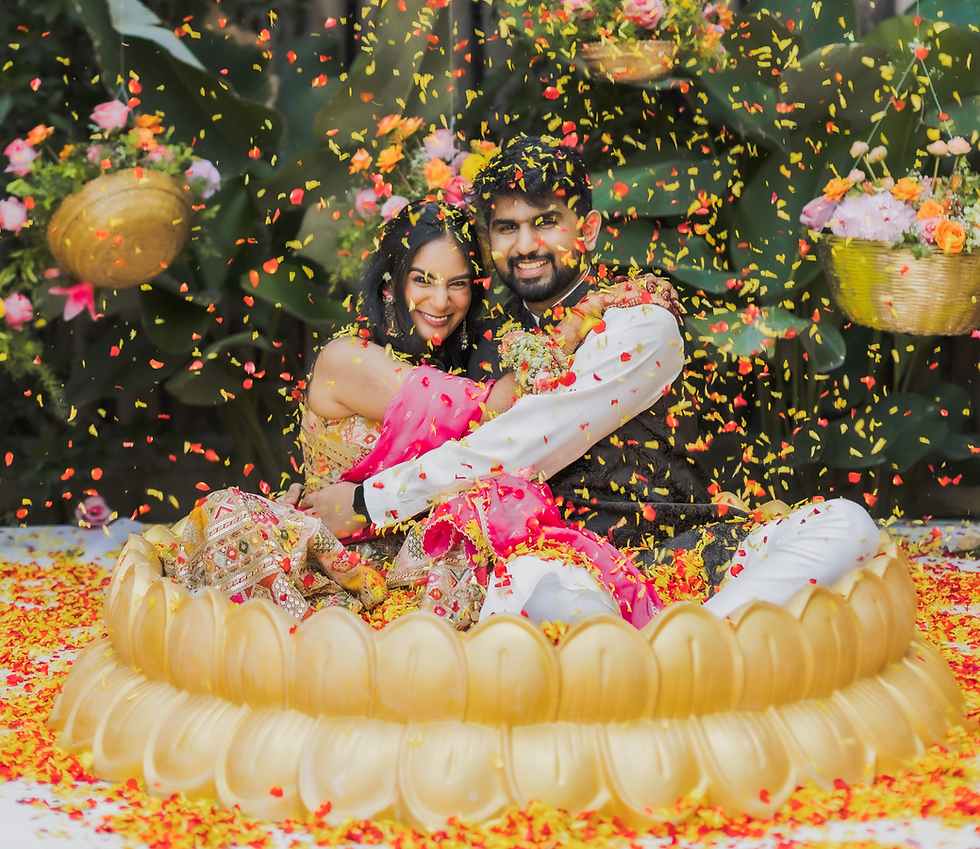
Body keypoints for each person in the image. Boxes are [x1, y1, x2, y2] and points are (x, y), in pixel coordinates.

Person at [307, 137, 882, 618]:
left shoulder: (639, 321)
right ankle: (680, 653)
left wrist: (367, 499)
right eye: (506, 227)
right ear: (489, 241)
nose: (526, 245)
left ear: (590, 229)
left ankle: (702, 641)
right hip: (557, 566)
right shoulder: (479, 339)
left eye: (546, 222)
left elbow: (528, 439)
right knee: (533, 584)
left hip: (684, 545)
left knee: (847, 524)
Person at [152, 199, 673, 623]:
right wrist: (591, 310)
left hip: (401, 554)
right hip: (335, 546)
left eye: (458, 283)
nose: (440, 300)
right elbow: (491, 412)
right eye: (422, 279)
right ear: (391, 282)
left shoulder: (457, 362)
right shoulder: (348, 358)